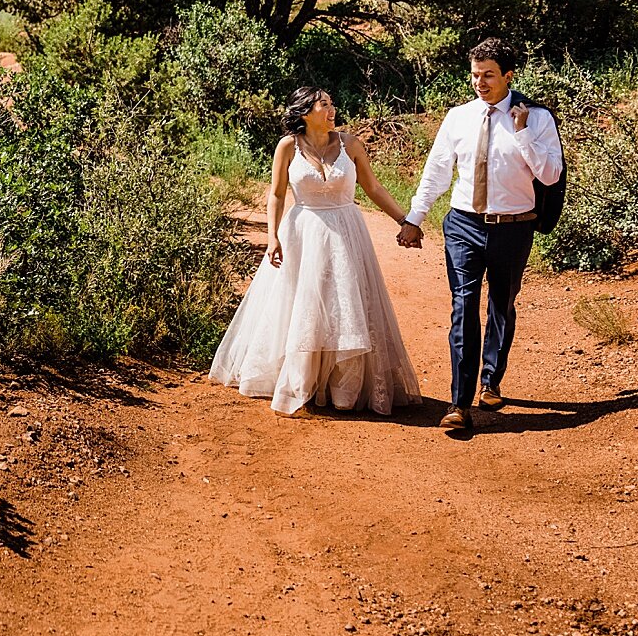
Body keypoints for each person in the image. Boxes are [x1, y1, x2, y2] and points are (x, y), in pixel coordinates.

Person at [210, 86, 422, 416]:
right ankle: (302, 381)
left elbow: (374, 186)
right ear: (305, 112)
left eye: (331, 103)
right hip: (302, 233)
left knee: (345, 305)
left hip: (346, 232)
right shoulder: (287, 147)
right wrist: (273, 236)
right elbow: (277, 194)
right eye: (324, 105)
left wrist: (404, 220)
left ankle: (343, 388)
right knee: (304, 306)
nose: (332, 109)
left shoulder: (350, 144)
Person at [396, 38, 563, 432]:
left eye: (489, 75)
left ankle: (492, 379)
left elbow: (550, 176)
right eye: (475, 75)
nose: (480, 82)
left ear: (508, 74)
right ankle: (459, 403)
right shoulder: (458, 117)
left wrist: (521, 133)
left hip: (514, 227)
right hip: (463, 225)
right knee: (463, 306)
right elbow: (436, 171)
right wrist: (414, 217)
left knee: (501, 305)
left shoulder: (536, 119)